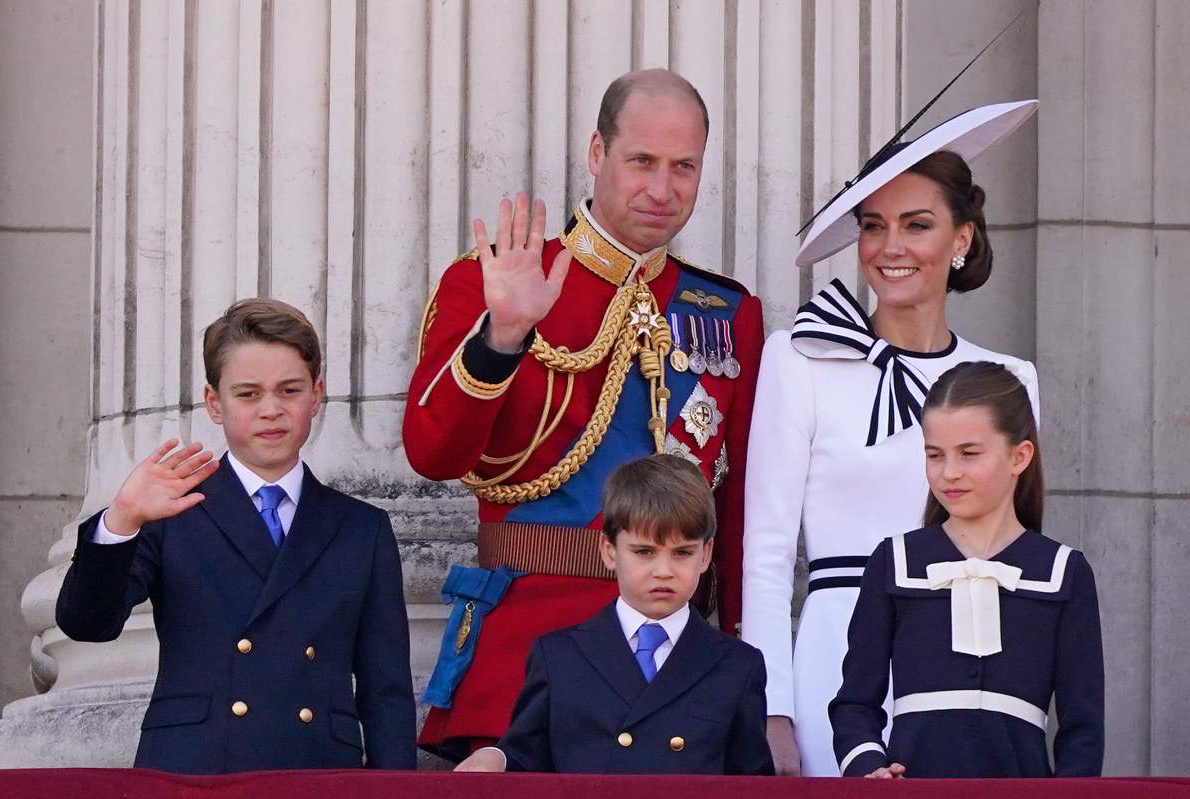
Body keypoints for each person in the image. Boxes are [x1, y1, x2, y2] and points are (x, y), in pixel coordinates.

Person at [404, 69, 764, 760]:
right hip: (524, 661)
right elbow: (431, 452)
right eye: (642, 162)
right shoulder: (497, 277)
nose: (663, 189)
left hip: (677, 672)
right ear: (597, 153)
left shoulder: (726, 313)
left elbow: (740, 502)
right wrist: (502, 336)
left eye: (683, 166)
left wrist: (741, 648)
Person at [741, 100, 1041, 775]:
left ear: (961, 239)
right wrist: (772, 707)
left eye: (917, 224)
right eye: (873, 226)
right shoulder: (799, 358)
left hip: (969, 661)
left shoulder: (1008, 380)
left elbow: (1017, 559)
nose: (890, 247)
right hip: (832, 660)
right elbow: (764, 552)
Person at [56, 299, 416, 774]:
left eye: (289, 390)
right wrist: (121, 519)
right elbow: (87, 624)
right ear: (214, 403)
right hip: (195, 769)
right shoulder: (170, 510)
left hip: (318, 770)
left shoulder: (361, 528)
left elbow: (385, 688)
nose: (271, 410)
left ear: (317, 394)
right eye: (248, 394)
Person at [830, 361, 1104, 777]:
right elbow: (854, 704)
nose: (949, 473)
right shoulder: (894, 562)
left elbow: (1082, 728)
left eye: (969, 454)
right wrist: (870, 767)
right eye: (934, 455)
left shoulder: (1065, 572)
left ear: (1020, 456)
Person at [453, 455, 773, 774]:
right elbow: (527, 759)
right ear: (609, 551)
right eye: (644, 552)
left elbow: (752, 783)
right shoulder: (559, 657)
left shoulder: (738, 666)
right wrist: (498, 758)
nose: (664, 571)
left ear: (706, 555)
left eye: (682, 553)